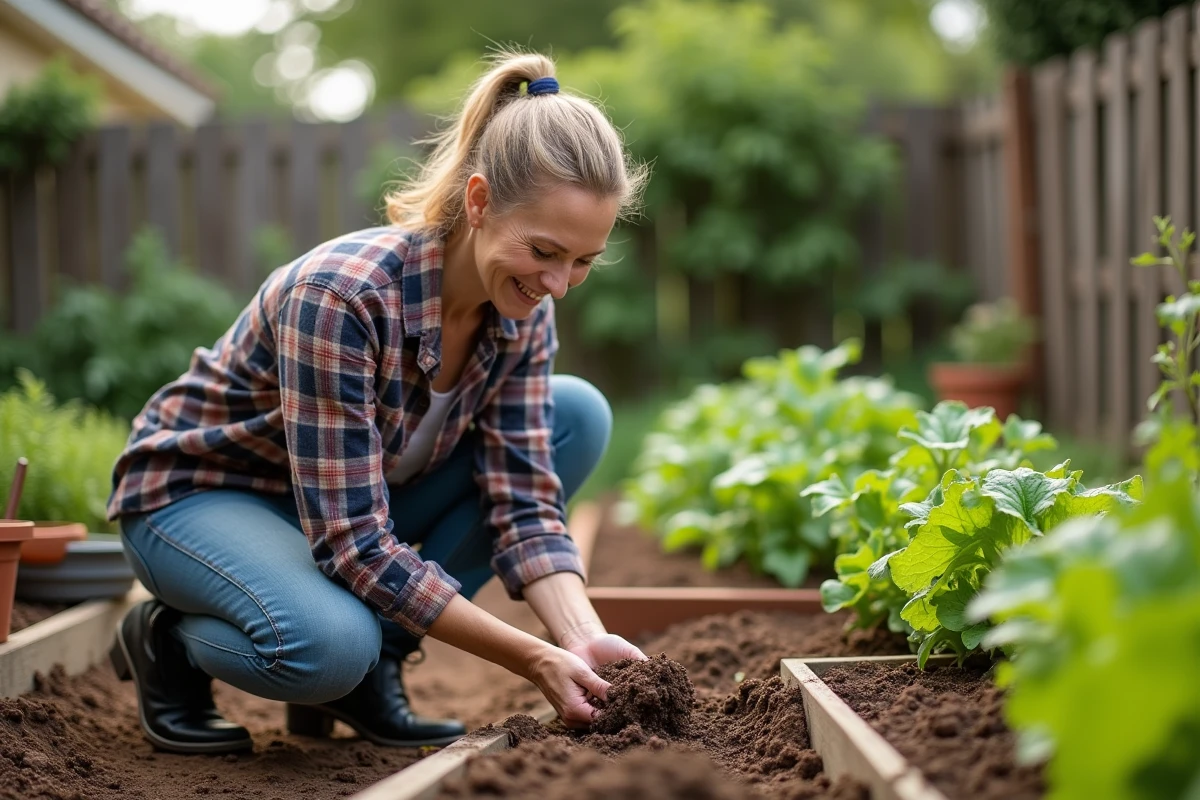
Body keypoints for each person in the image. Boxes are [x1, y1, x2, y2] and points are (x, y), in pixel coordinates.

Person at [105, 50, 651, 755]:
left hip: (336, 510)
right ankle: (169, 643)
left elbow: (523, 503)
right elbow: (354, 543)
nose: (559, 284)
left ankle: (372, 670)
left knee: (574, 415)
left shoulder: (520, 312)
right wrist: (532, 656)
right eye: (545, 250)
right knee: (327, 649)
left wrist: (580, 637)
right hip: (202, 496)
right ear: (479, 202)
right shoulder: (344, 297)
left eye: (582, 261)